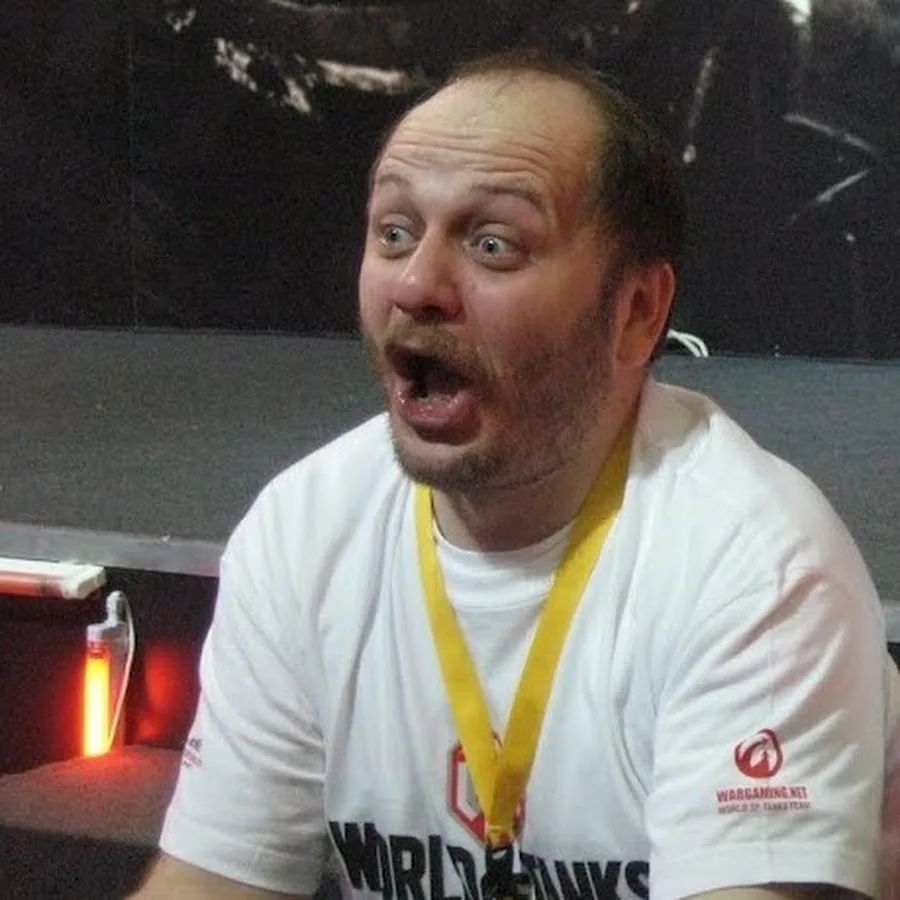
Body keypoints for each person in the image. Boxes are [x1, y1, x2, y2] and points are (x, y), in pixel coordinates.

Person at [132, 48, 899, 900]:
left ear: (637, 312)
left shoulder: (754, 567)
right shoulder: (303, 534)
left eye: (493, 244)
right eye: (395, 232)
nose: (417, 284)